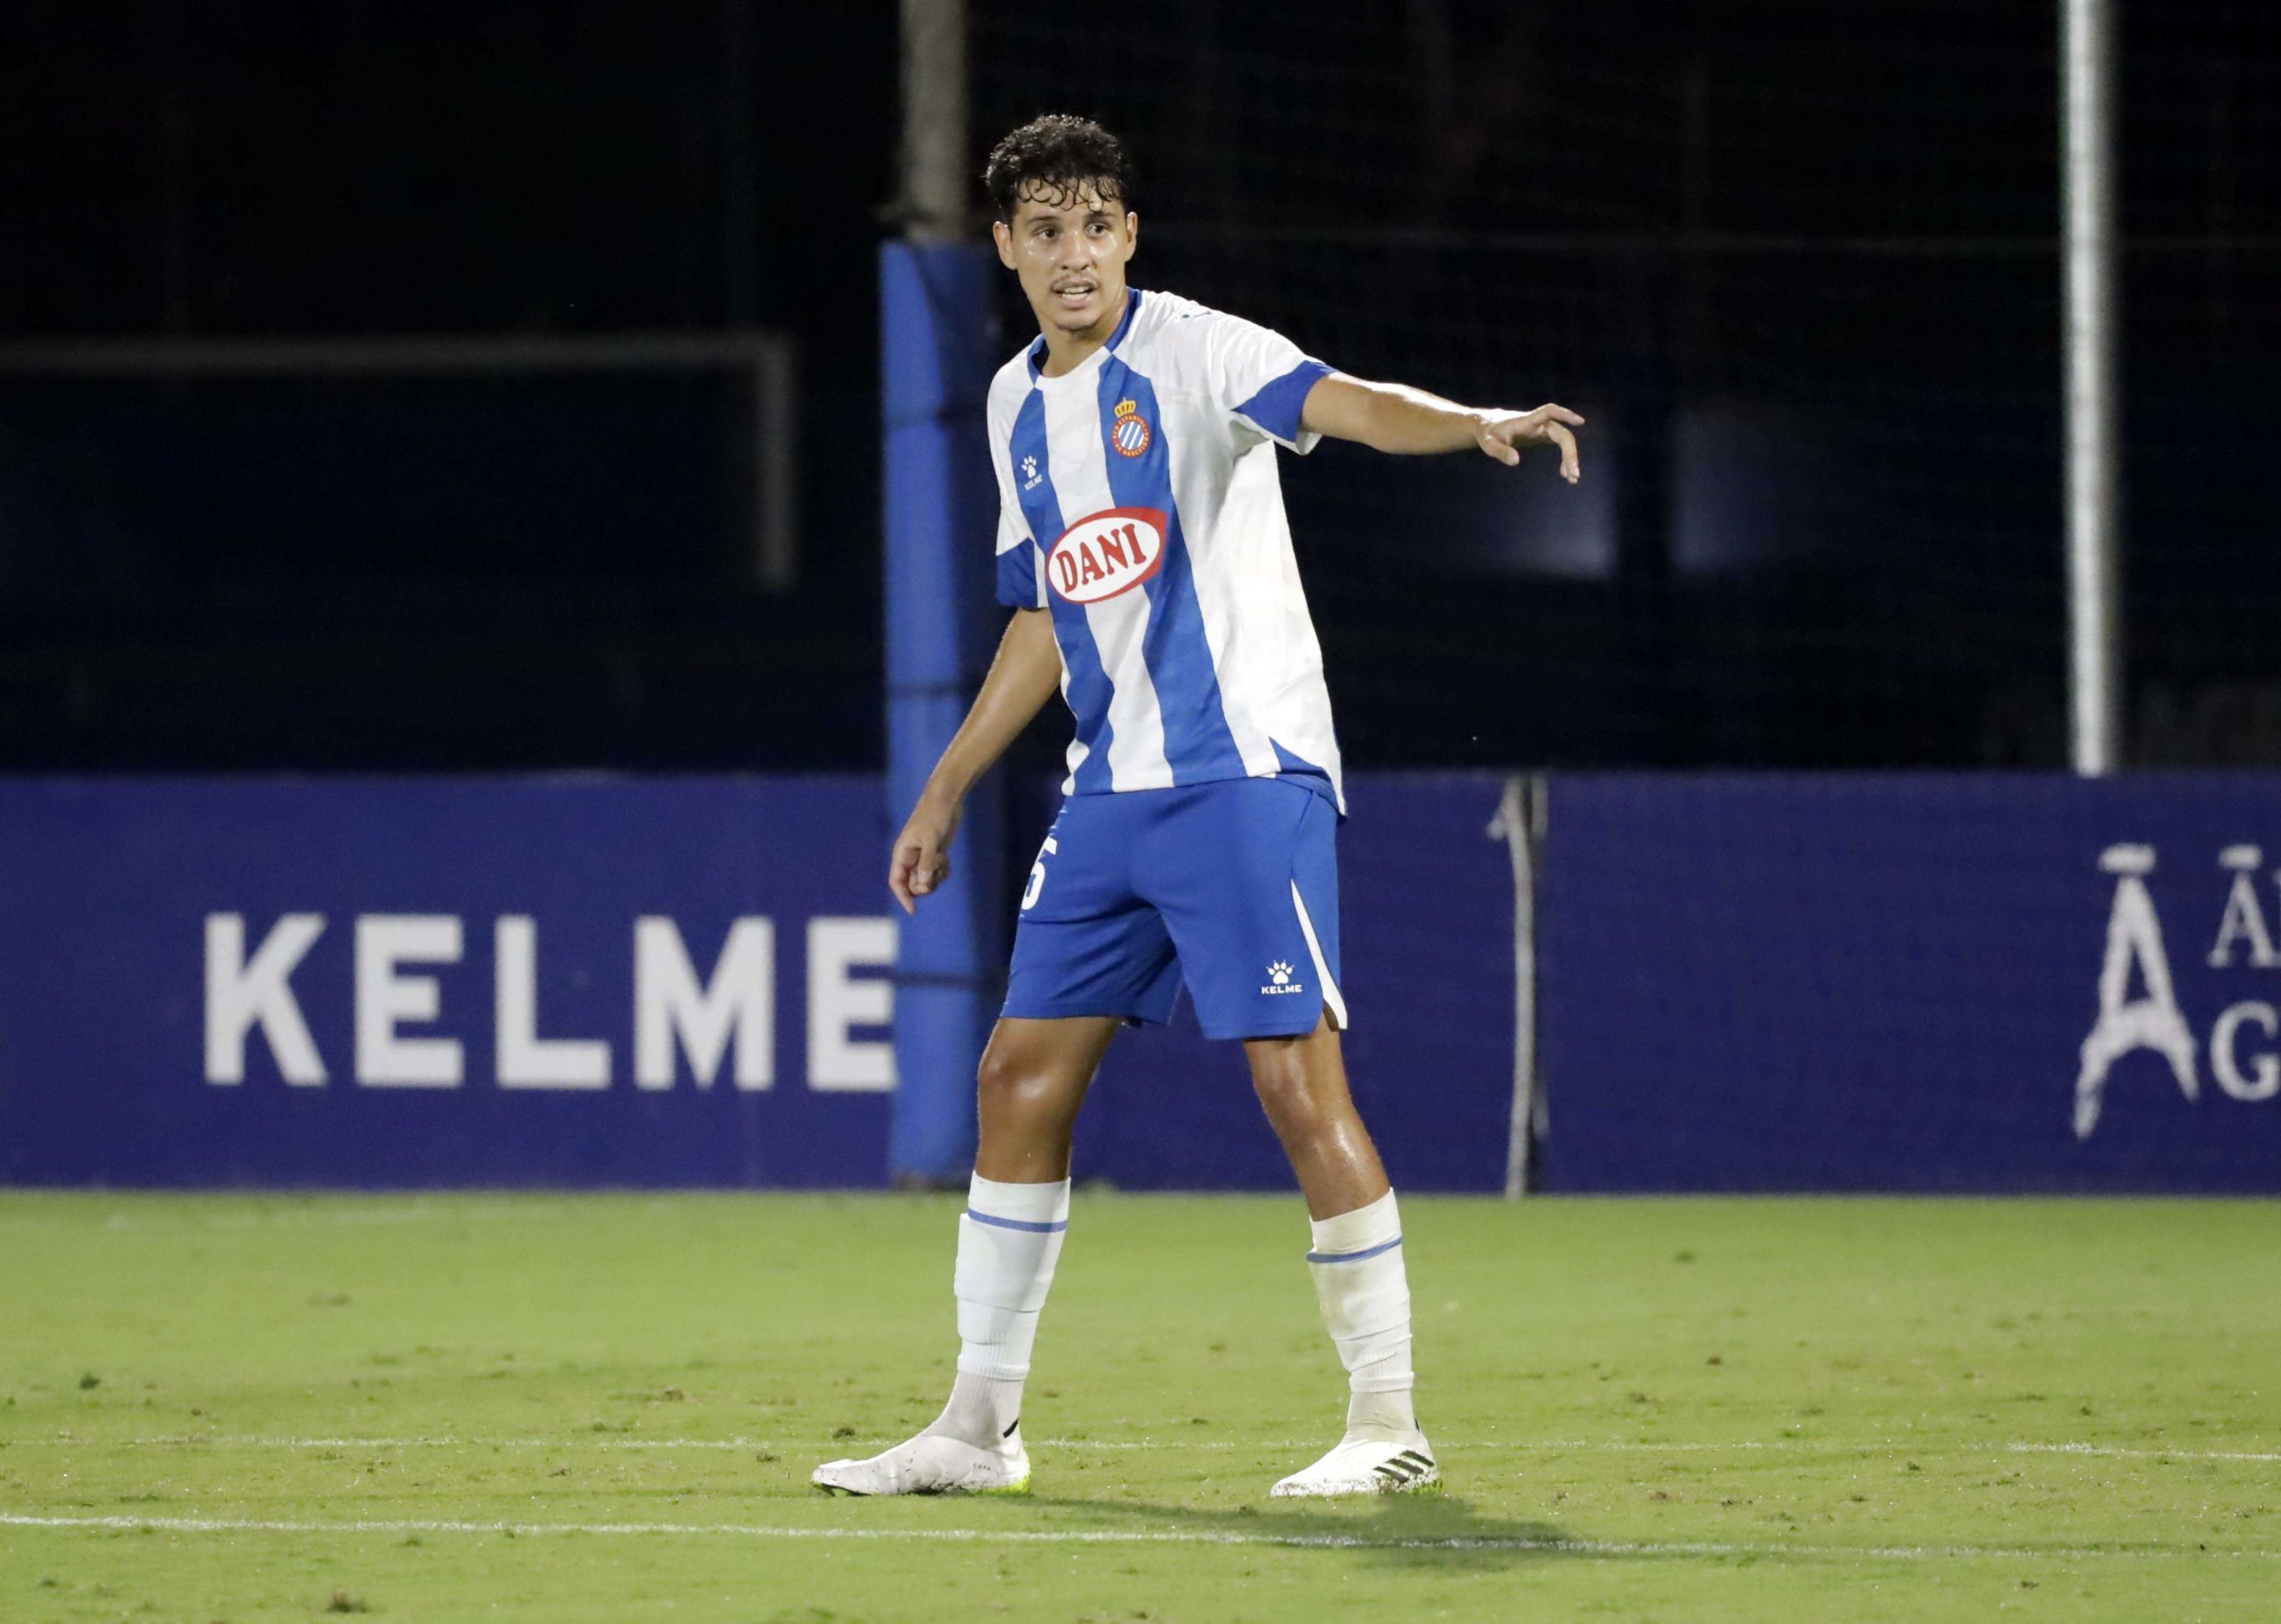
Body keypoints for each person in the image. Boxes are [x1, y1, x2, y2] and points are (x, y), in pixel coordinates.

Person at [814, 113, 1581, 1500]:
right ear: (1005, 248)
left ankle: (1386, 1424)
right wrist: (942, 791)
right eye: (1043, 230)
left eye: (1096, 224)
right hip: (1109, 791)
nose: (1073, 254)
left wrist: (1469, 424)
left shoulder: (1200, 348)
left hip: (1243, 776)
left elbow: (1346, 402)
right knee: (1013, 1081)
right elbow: (1048, 619)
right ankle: (978, 1430)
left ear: (1128, 235)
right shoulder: (1008, 407)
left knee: (1295, 1083)